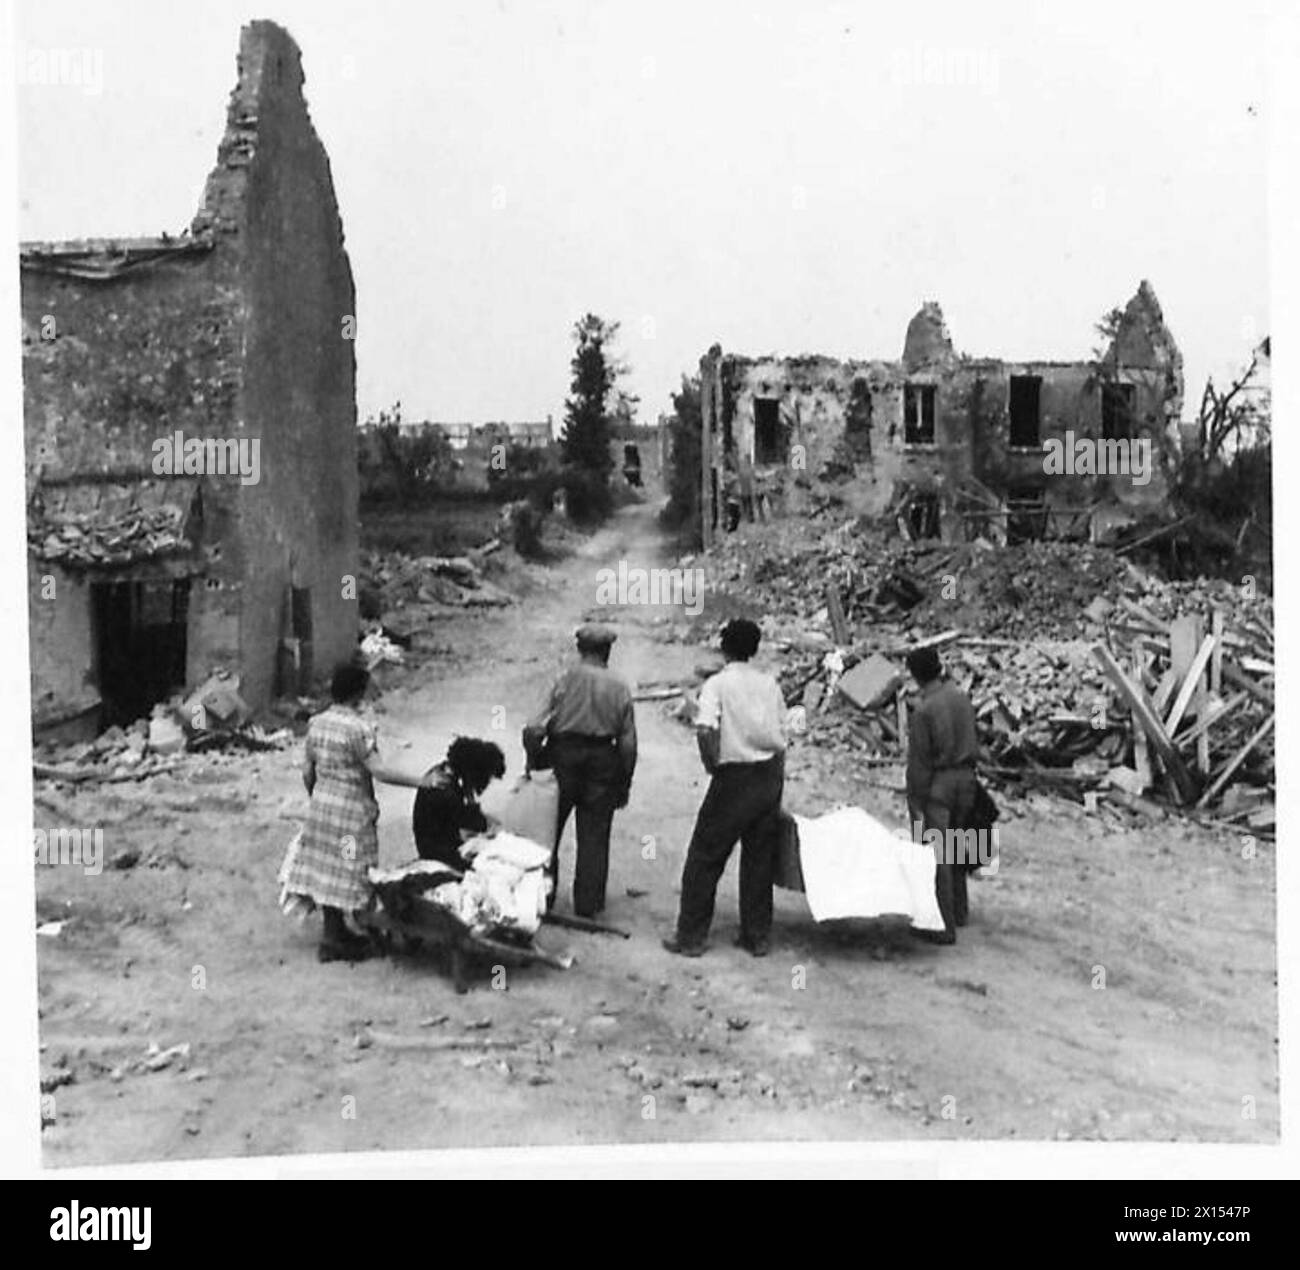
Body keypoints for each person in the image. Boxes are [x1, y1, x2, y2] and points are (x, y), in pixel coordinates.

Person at [282, 662, 435, 963]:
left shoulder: (318, 723)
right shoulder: (359, 729)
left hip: (323, 807)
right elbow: (378, 771)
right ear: (359, 694)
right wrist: (421, 782)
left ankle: (334, 932)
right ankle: (340, 938)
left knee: (327, 870)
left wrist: (317, 797)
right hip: (351, 812)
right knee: (352, 870)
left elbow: (307, 770)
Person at [663, 617, 786, 958]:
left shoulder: (717, 684)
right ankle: (757, 936)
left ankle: (690, 936)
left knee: (705, 855)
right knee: (759, 858)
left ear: (723, 647)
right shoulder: (769, 684)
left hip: (734, 775)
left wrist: (712, 764)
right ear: (755, 649)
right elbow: (783, 734)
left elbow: (704, 730)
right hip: (769, 773)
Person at [523, 624, 636, 918]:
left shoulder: (562, 678)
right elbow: (628, 741)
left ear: (579, 649)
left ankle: (542, 898)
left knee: (547, 831)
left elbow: (533, 729)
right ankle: (588, 905)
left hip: (562, 756)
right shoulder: (619, 686)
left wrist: (532, 763)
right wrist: (624, 781)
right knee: (595, 836)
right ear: (607, 650)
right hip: (602, 759)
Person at [904, 646, 979, 945]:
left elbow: (919, 763)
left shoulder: (924, 711)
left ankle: (942, 925)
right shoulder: (962, 698)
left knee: (937, 854)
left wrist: (915, 801)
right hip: (968, 779)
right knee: (961, 845)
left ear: (915, 676)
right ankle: (960, 911)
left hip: (940, 784)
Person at [412, 736, 507, 870]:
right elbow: (475, 823)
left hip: (437, 843)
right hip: (439, 853)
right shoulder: (445, 790)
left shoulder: (443, 771)